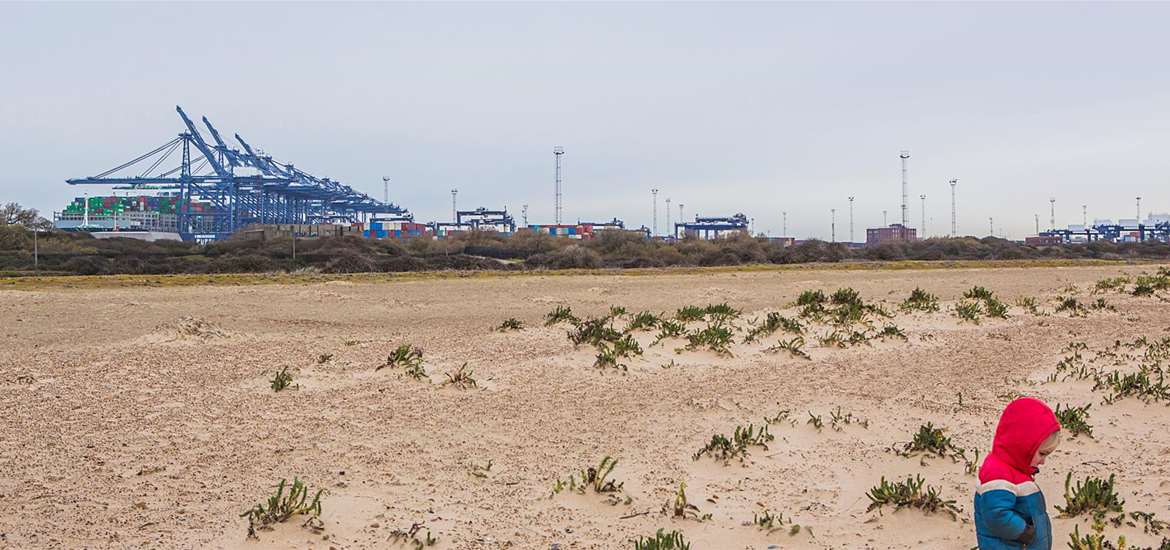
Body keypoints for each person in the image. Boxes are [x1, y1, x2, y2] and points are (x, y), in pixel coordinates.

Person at [973, 397, 1062, 550]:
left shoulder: (1016, 469)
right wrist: (1024, 532)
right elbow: (995, 514)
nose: (1043, 461)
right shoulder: (998, 473)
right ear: (1023, 445)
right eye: (1041, 454)